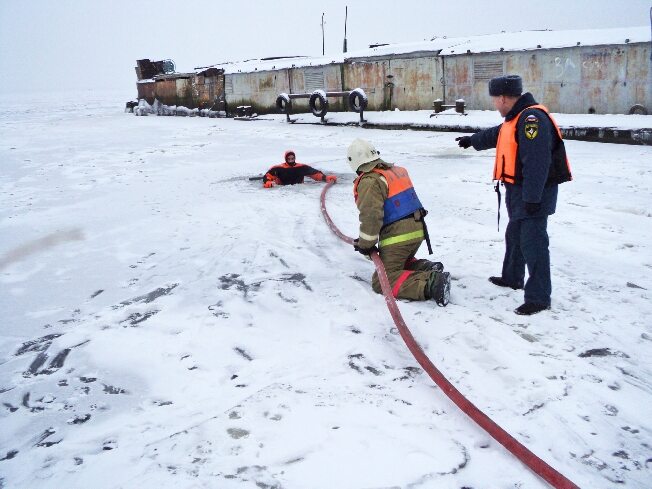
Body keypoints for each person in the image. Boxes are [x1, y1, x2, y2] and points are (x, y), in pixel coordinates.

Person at [455, 75, 572, 315]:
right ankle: (512, 277)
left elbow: (537, 163)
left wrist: (531, 198)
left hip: (533, 194)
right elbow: (497, 134)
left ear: (504, 98)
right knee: (515, 235)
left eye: (495, 100)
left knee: (534, 243)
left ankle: (539, 298)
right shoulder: (516, 117)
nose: (494, 105)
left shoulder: (531, 120)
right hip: (518, 191)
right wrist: (472, 140)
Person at [347, 138, 451, 306]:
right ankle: (425, 267)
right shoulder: (394, 171)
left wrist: (366, 245)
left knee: (383, 281)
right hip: (417, 230)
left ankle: (431, 282)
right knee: (400, 263)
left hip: (399, 236)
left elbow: (371, 216)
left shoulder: (369, 181)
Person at [263, 150, 337, 188]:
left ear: (295, 158)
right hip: (282, 191)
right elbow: (267, 176)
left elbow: (315, 174)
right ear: (286, 159)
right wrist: (267, 182)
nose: (291, 160)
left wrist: (326, 178)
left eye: (292, 158)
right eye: (289, 159)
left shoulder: (301, 167)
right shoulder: (278, 168)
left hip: (299, 190)